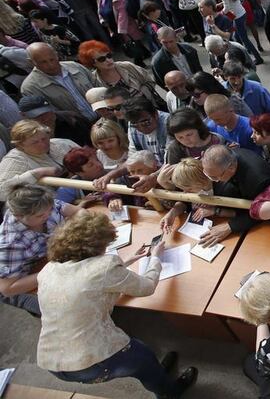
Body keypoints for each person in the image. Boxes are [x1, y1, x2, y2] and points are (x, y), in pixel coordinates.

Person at [37, 211, 198, 396]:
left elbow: (85, 280)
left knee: (143, 356)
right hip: (90, 360)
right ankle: (170, 392)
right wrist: (156, 258)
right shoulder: (105, 266)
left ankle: (156, 372)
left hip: (51, 360)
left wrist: (126, 261)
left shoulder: (48, 269)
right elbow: (146, 287)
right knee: (144, 360)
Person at [0, 185, 79, 315]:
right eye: (41, 215)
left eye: (50, 210)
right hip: (21, 282)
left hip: (47, 259)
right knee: (64, 311)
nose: (48, 215)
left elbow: (78, 212)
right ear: (18, 216)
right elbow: (7, 289)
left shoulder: (42, 204)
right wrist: (55, 271)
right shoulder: (10, 244)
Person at [198, 145, 270, 244]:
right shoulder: (226, 157)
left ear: (231, 168)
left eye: (214, 177)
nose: (213, 181)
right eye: (207, 174)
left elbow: (263, 210)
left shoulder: (258, 180)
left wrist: (230, 226)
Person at [0, 120, 78, 201]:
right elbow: (1, 192)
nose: (43, 144)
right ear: (20, 145)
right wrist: (36, 174)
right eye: (35, 142)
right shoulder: (15, 160)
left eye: (44, 138)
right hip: (45, 207)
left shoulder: (63, 144)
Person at [21, 42, 96, 121]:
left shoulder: (75, 67)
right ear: (31, 62)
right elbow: (46, 115)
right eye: (43, 62)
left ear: (56, 55)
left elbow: (96, 84)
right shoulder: (30, 87)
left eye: (52, 59)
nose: (51, 65)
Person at [78, 41, 163, 110]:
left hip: (150, 107)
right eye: (102, 59)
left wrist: (143, 92)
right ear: (93, 63)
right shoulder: (95, 81)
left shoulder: (127, 66)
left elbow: (149, 80)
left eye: (109, 55)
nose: (108, 60)